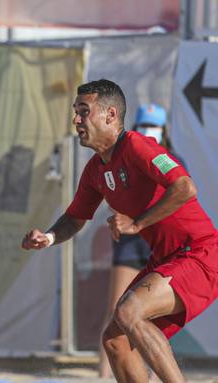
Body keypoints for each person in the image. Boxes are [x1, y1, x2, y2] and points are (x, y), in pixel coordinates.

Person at [22, 79, 218, 382]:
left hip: (201, 252)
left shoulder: (137, 145)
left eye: (83, 111)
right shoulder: (95, 169)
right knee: (115, 341)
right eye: (75, 111)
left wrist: (136, 223)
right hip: (167, 258)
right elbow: (75, 218)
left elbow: (185, 187)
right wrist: (47, 238)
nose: (75, 120)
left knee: (128, 313)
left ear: (110, 115)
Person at [98, 103, 181, 378]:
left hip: (160, 243)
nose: (149, 131)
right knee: (118, 310)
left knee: (147, 316)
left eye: (154, 125)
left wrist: (140, 219)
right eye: (145, 125)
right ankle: (103, 372)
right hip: (132, 242)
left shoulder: (172, 158)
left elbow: (182, 194)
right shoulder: (124, 158)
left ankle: (156, 373)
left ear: (164, 129)